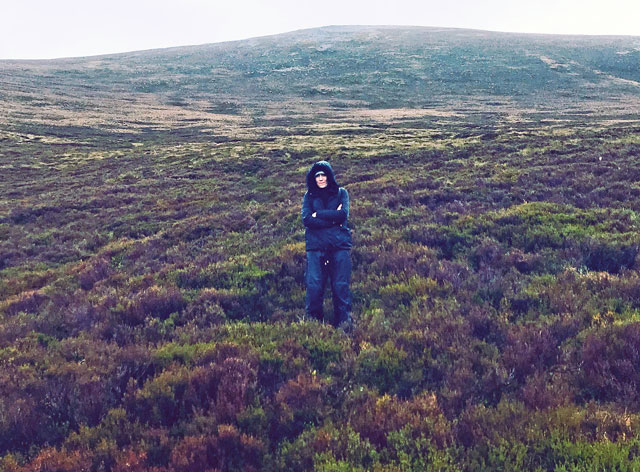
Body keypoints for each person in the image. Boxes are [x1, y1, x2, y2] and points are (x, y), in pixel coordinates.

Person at [301, 161, 353, 332]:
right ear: (313, 178)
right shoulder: (308, 197)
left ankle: (344, 325)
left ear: (329, 176)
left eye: (324, 175)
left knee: (340, 286)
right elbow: (307, 220)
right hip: (316, 248)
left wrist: (319, 215)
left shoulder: (341, 193)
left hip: (339, 246)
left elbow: (343, 215)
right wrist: (333, 219)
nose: (321, 178)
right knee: (314, 285)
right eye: (317, 176)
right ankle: (314, 326)